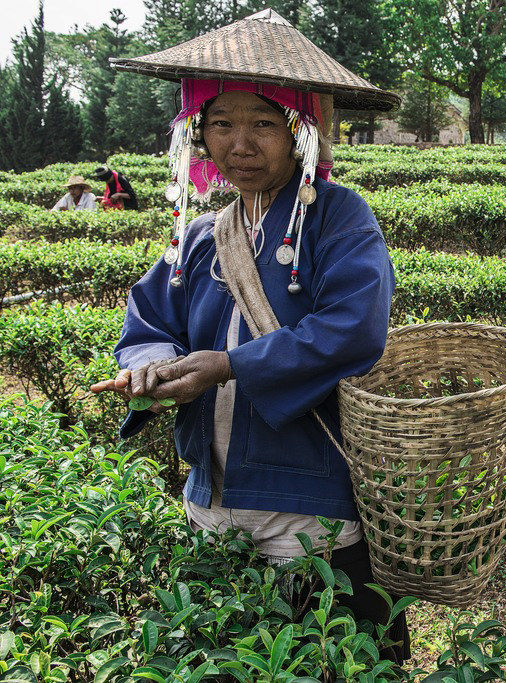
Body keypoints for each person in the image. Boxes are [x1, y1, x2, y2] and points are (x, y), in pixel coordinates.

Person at [89, 9, 409, 665]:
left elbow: (353, 325)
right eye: (222, 123)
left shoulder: (338, 218)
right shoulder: (202, 236)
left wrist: (227, 363)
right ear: (197, 134)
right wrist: (150, 367)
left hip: (312, 510)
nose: (241, 142)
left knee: (330, 658)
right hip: (213, 505)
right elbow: (149, 319)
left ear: (301, 131)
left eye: (264, 123)